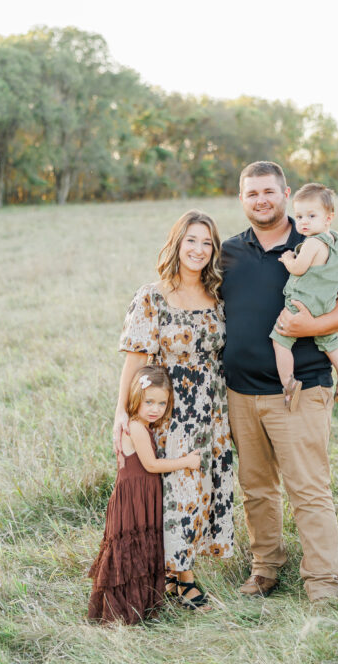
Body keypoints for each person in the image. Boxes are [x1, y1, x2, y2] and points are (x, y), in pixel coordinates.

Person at [221, 161, 338, 603]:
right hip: (240, 392)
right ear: (242, 199)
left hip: (300, 387)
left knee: (308, 487)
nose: (261, 199)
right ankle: (265, 568)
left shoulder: (314, 242)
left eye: (269, 191)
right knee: (256, 487)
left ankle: (323, 582)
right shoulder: (228, 251)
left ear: (285, 194)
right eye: (252, 193)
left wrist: (310, 327)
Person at [112, 210, 235, 611]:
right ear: (177, 244)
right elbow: (134, 362)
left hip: (212, 409)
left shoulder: (217, 298)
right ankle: (181, 578)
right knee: (178, 489)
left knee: (204, 488)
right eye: (191, 241)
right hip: (169, 410)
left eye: (207, 243)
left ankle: (177, 567)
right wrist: (121, 416)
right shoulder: (152, 296)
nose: (199, 250)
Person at [88, 366, 201, 624]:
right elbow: (150, 465)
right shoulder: (136, 427)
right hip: (133, 499)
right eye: (149, 401)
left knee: (142, 549)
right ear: (135, 398)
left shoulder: (143, 425)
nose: (155, 409)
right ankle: (124, 612)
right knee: (131, 550)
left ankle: (141, 606)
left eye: (162, 403)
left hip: (143, 496)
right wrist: (186, 461)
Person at [271, 182, 338, 411]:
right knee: (329, 340)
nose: (304, 222)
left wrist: (288, 258)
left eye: (311, 215)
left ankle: (289, 383)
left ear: (328, 217)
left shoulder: (311, 243)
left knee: (280, 341)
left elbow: (298, 268)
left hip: (302, 303)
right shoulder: (334, 239)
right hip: (326, 305)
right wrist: (336, 237)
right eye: (299, 216)